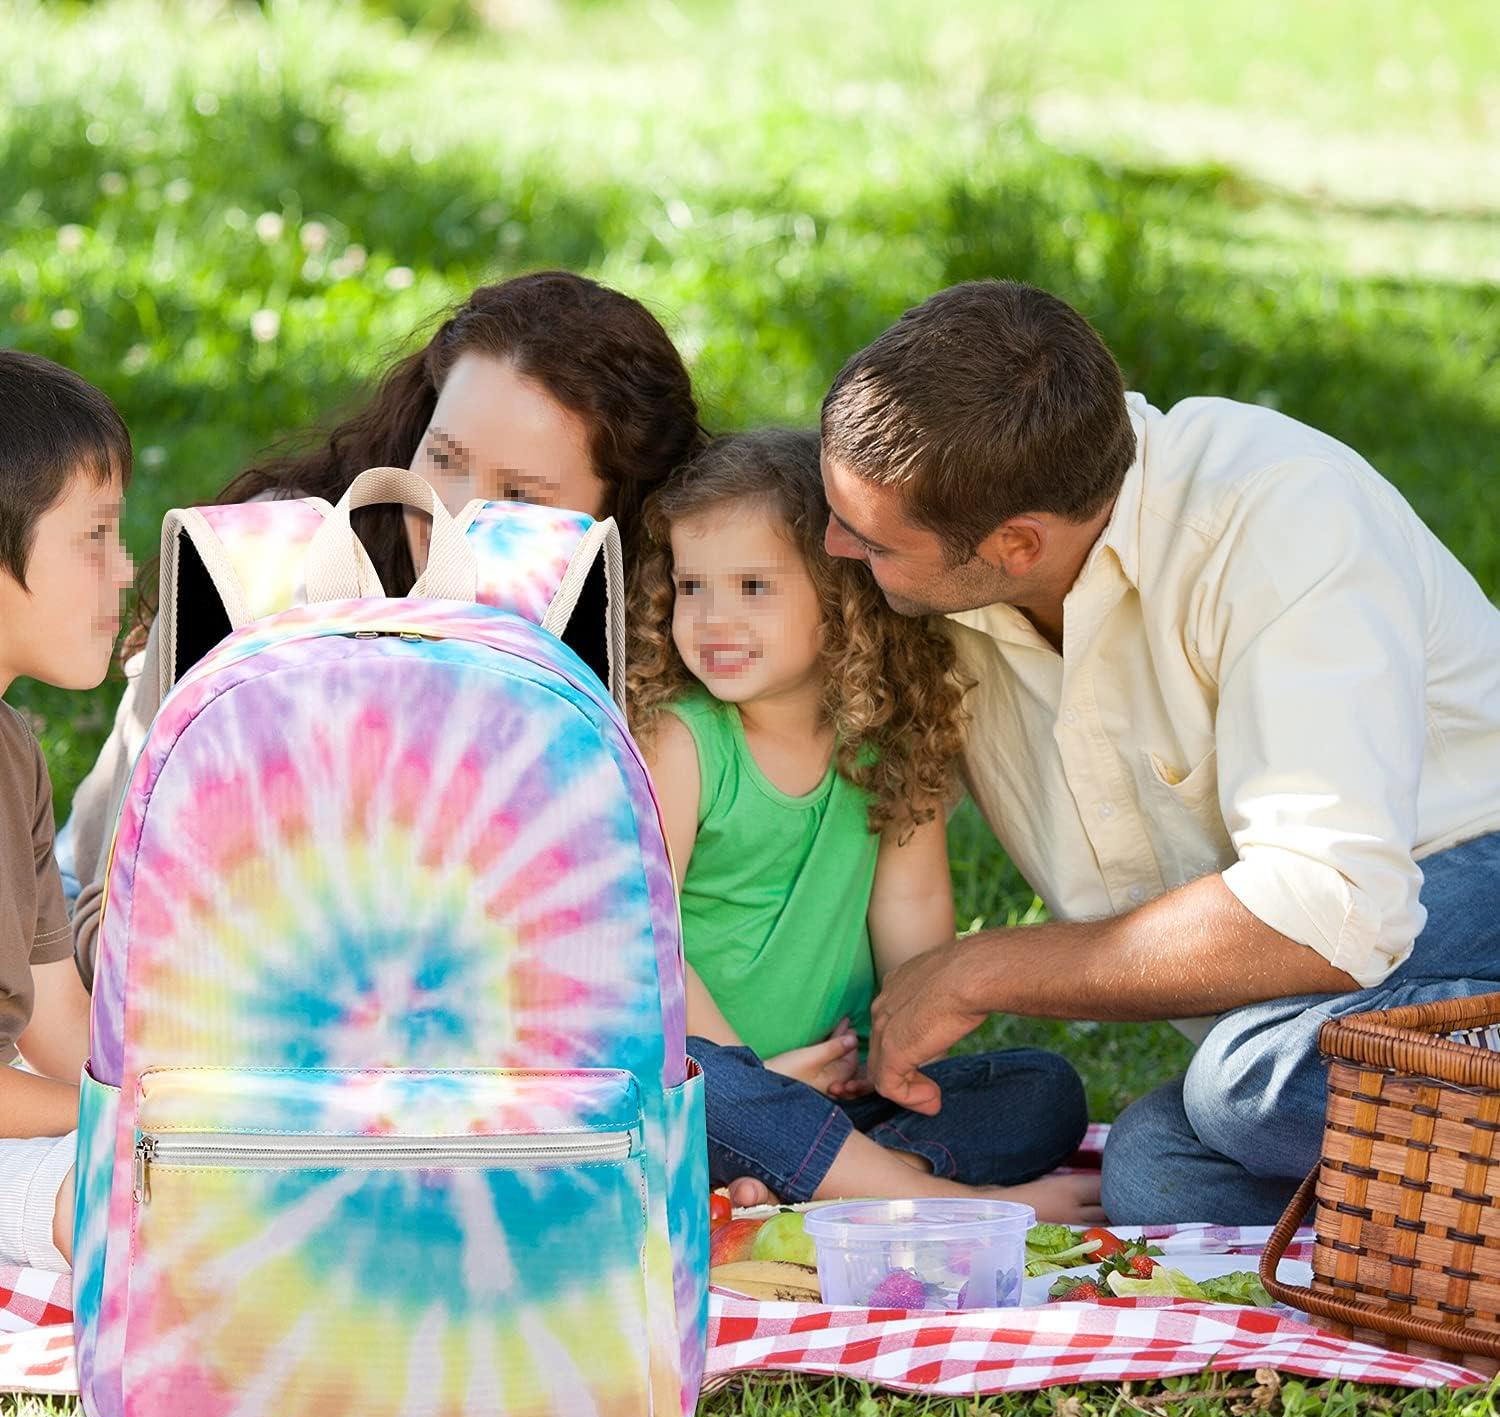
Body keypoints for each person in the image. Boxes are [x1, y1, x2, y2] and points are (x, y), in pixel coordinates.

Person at [813, 278, 1500, 1226]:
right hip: (1314, 998)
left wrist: (982, 968)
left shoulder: (1277, 517)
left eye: (873, 540)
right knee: (1159, 1174)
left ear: (1017, 543)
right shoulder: (964, 572)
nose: (833, 546)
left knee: (1248, 1082)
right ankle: (1452, 1210)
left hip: (1466, 877)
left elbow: (1333, 909)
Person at [65, 270, 705, 988]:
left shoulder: (651, 654)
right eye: (444, 458)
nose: (451, 514)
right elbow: (105, 912)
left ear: (620, 516)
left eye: (520, 495)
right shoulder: (266, 579)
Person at [627, 429, 1100, 1219]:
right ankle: (949, 1203)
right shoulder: (682, 740)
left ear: (840, 598)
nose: (713, 618)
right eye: (692, 587)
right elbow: (649, 938)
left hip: (838, 1093)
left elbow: (910, 913)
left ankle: (835, 1181)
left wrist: (902, 1056)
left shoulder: (887, 739)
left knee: (1043, 1091)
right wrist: (756, 1075)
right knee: (720, 1104)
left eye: (753, 587)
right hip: (719, 1086)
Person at [0, 351, 134, 1270]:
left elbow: (57, 1027)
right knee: (134, 1198)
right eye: (96, 535)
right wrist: (124, 1115)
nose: (124, 570)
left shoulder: (15, 754)